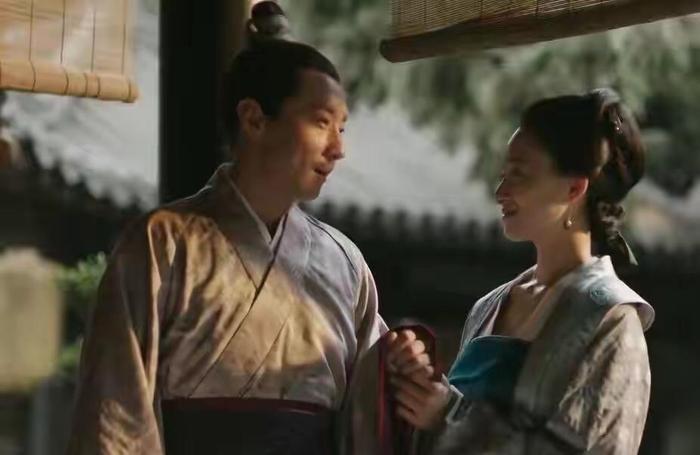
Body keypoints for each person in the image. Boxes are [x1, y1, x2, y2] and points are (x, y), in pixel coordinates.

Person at [66, 3, 430, 454]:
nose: (338, 148)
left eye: (342, 127)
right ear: (254, 119)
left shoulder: (345, 264)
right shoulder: (162, 243)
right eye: (321, 122)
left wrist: (396, 369)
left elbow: (369, 413)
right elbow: (115, 411)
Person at [390, 88, 655, 454]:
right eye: (504, 174)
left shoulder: (610, 320)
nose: (501, 190)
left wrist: (449, 416)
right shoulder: (489, 306)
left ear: (574, 188)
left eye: (519, 174)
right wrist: (416, 387)